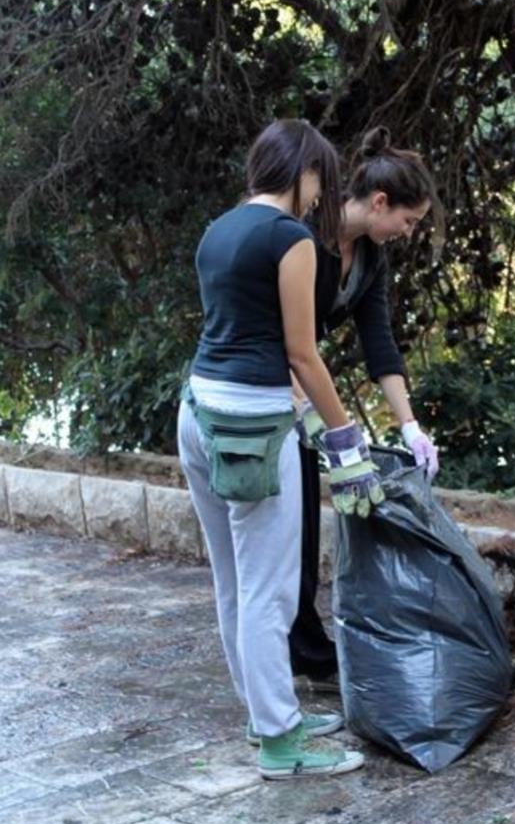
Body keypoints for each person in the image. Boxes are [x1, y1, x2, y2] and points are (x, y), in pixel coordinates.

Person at [177, 118, 383, 780]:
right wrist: (346, 440)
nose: (321, 194)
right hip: (255, 427)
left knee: (234, 582)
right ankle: (281, 743)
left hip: (198, 412)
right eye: (319, 176)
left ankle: (265, 711)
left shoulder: (221, 228)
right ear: (300, 171)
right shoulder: (290, 239)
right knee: (269, 592)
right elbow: (302, 353)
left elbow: (232, 327)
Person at [287, 127, 441, 692]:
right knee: (290, 525)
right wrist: (321, 419)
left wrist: (410, 424)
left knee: (306, 523)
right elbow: (283, 336)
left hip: (304, 385)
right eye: (408, 219)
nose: (409, 232)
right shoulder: (304, 233)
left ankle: (303, 647)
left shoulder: (370, 259)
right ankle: (295, 648)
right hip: (274, 383)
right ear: (380, 202)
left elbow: (380, 343)